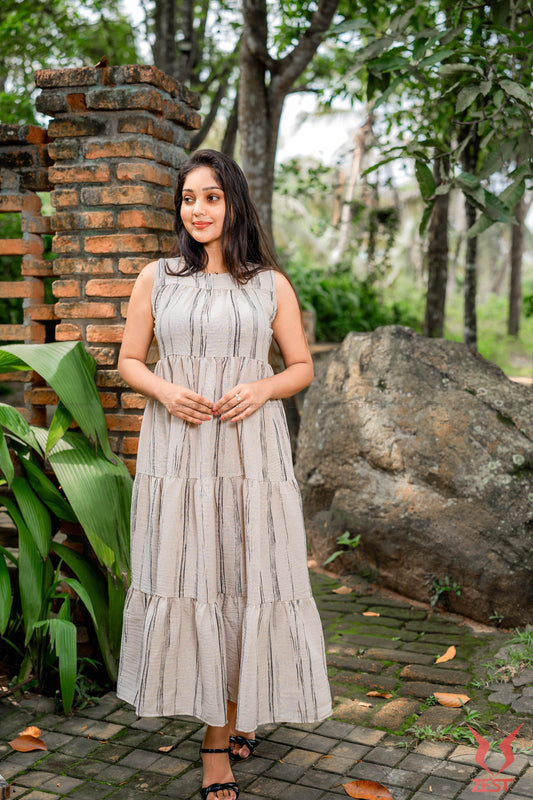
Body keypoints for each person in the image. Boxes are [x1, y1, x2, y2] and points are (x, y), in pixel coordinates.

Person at [116, 149, 332, 800]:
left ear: (233, 202)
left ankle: (234, 718)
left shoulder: (269, 283)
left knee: (246, 577)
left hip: (248, 451)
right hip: (178, 451)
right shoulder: (156, 278)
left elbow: (300, 367)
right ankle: (217, 739)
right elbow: (128, 359)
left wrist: (264, 389)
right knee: (196, 578)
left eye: (211, 197)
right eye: (188, 199)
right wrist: (164, 390)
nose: (199, 210)